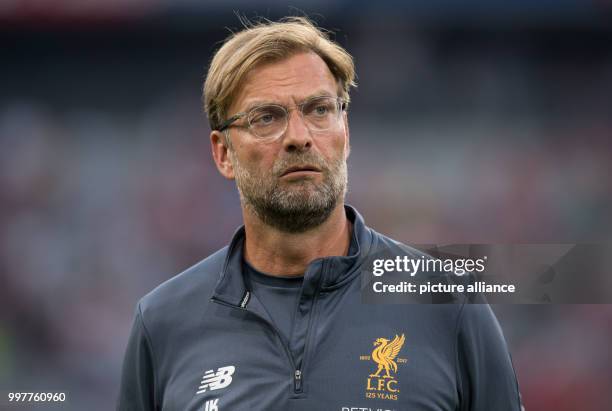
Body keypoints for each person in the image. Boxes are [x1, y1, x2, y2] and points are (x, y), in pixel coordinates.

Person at [117, 17, 523, 411]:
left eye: (319, 110)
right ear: (223, 153)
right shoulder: (162, 322)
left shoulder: (451, 306)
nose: (298, 137)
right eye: (266, 117)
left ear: (346, 133)